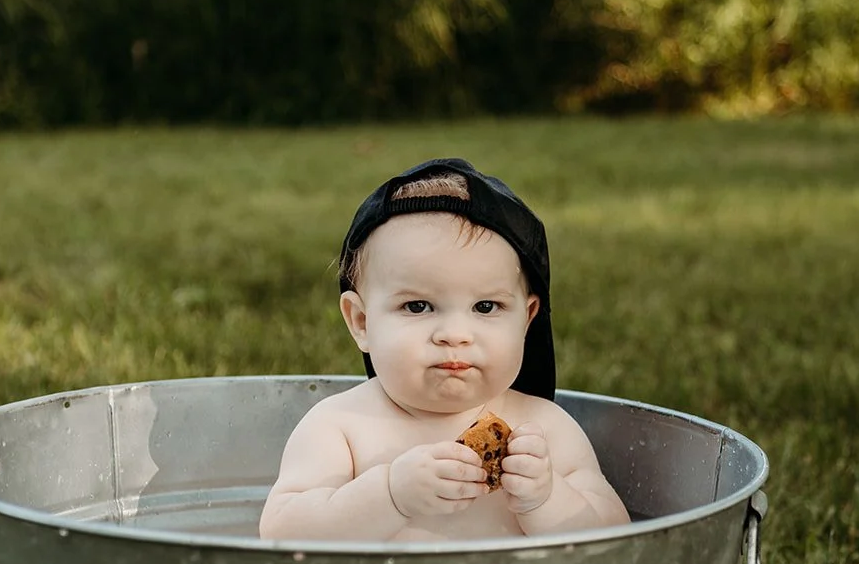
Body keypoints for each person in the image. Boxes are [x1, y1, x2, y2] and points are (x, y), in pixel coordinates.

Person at [258, 158, 630, 542]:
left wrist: (548, 500)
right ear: (362, 322)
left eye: (485, 307)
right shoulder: (340, 427)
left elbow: (619, 539)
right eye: (418, 306)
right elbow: (281, 535)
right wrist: (389, 495)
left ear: (527, 319)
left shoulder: (544, 429)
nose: (454, 335)